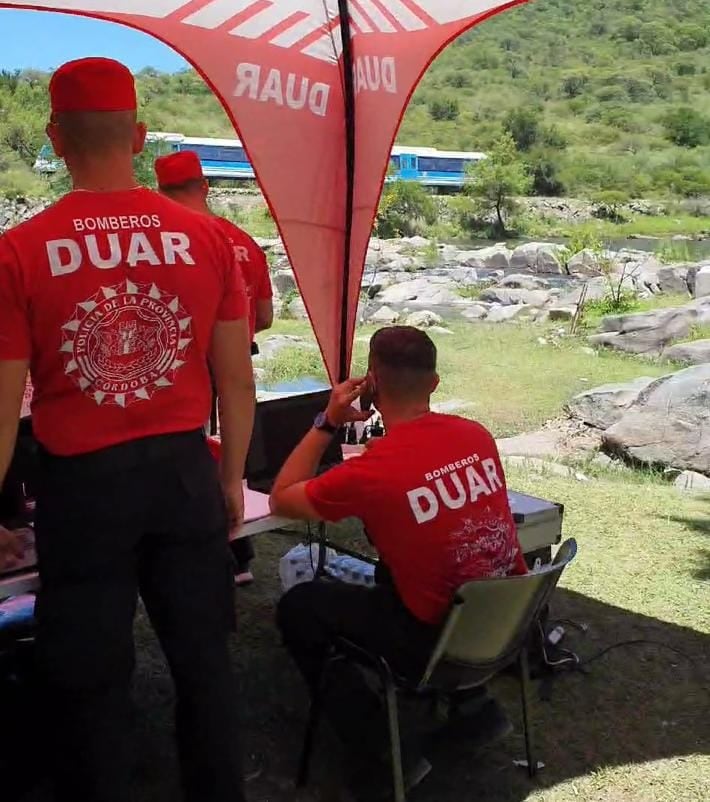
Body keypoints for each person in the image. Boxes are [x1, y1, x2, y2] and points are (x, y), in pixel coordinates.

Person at [0, 57, 255, 802]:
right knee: (206, 665)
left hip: (83, 488)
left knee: (90, 678)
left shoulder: (19, 250)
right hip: (183, 475)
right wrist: (231, 477)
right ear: (140, 135)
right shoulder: (205, 238)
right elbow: (235, 380)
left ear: (53, 137)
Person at [270, 326, 527, 796]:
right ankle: (476, 709)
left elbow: (282, 500)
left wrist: (327, 421)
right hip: (503, 621)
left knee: (300, 607)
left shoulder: (375, 469)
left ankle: (382, 751)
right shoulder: (476, 435)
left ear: (372, 384)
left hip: (433, 639)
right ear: (434, 382)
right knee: (415, 565)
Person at [155, 150, 273, 586]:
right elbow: (264, 315)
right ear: (204, 186)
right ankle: (238, 547)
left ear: (159, 192)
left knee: (194, 453)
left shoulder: (167, 240)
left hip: (185, 364)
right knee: (228, 452)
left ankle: (208, 548)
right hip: (236, 358)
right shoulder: (242, 240)